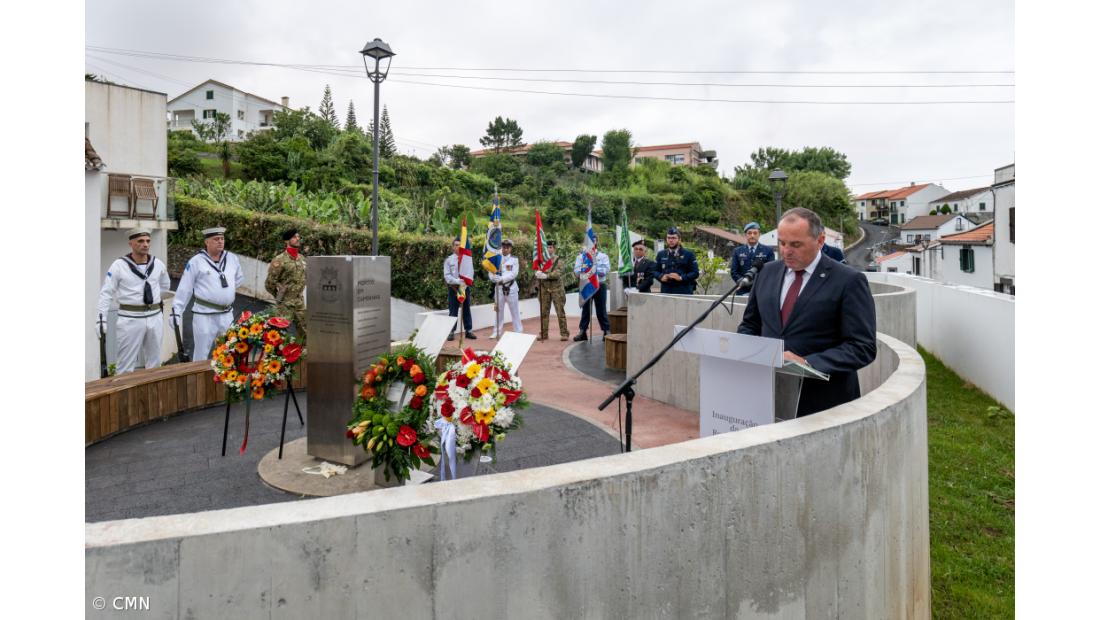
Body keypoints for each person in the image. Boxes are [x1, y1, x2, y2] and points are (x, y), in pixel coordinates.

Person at [737, 207, 877, 417]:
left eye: (796, 244)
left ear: (820, 240)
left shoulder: (849, 281)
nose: (786, 251)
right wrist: (746, 351)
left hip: (825, 404)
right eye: (782, 243)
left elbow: (862, 347)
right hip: (768, 394)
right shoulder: (766, 272)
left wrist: (809, 363)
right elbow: (750, 325)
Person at [97, 228, 171, 375]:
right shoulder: (119, 265)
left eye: (148, 241)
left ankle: (152, 396)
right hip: (130, 318)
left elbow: (165, 286)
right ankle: (124, 397)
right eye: (140, 241)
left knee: (155, 363)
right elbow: (106, 293)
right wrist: (101, 319)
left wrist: (154, 302)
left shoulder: (158, 264)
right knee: (125, 365)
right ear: (131, 243)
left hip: (154, 316)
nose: (145, 244)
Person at [172, 226, 244, 361]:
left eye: (222, 239)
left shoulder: (232, 258)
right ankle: (198, 381)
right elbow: (185, 288)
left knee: (229, 352)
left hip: (226, 314)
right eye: (216, 239)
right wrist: (176, 310)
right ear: (207, 242)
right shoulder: (196, 261)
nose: (220, 242)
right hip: (204, 315)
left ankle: (226, 381)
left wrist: (223, 295)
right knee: (201, 354)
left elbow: (239, 279)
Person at [265, 228, 308, 340]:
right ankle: (275, 356)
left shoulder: (302, 259)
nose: (298, 239)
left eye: (298, 236)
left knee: (306, 332)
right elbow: (269, 283)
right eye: (294, 237)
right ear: (287, 241)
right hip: (285, 304)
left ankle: (301, 355)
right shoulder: (279, 260)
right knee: (278, 334)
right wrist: (279, 295)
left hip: (299, 302)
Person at [573, 234, 611, 341]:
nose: (591, 243)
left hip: (600, 285)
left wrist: (591, 269)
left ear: (596, 242)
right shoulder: (581, 257)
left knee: (601, 309)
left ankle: (606, 330)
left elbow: (605, 271)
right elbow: (576, 271)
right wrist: (589, 271)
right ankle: (582, 331)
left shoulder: (603, 256)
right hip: (586, 284)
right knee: (585, 309)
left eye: (593, 241)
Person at [534, 240, 570, 341]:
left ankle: (564, 333)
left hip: (556, 289)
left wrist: (546, 275)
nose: (549, 249)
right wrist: (537, 273)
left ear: (554, 249)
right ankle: (544, 333)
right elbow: (536, 269)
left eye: (551, 247)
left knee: (560, 312)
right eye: (547, 247)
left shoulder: (559, 260)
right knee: (544, 312)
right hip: (544, 289)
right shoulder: (541, 260)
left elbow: (558, 273)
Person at [443, 238, 477, 342]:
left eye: (459, 245)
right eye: (456, 245)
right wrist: (458, 281)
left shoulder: (466, 259)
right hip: (453, 288)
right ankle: (451, 331)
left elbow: (471, 272)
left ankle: (468, 330)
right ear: (453, 247)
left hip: (464, 287)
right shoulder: (449, 260)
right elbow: (447, 276)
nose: (458, 247)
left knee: (466, 309)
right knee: (453, 310)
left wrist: (466, 282)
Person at [489, 239, 523, 338]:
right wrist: (493, 278)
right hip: (498, 289)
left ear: (510, 248)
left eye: (507, 247)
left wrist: (502, 278)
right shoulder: (496, 258)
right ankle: (496, 332)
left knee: (514, 311)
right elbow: (490, 270)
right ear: (501, 248)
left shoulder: (514, 259)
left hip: (511, 288)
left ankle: (518, 331)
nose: (505, 249)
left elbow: (514, 274)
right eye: (504, 247)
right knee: (498, 310)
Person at [729, 222, 776, 291]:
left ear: (759, 234)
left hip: (761, 290)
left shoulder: (768, 251)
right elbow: (734, 271)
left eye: (755, 233)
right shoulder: (737, 251)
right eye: (749, 233)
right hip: (743, 290)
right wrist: (743, 282)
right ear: (745, 235)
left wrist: (756, 283)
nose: (752, 235)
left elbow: (771, 271)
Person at [655, 227, 699, 295]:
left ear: (679, 239)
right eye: (669, 238)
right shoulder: (661, 254)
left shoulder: (689, 254)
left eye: (673, 238)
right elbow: (655, 271)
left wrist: (681, 278)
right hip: (666, 292)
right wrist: (660, 277)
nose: (671, 240)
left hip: (683, 291)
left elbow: (695, 273)